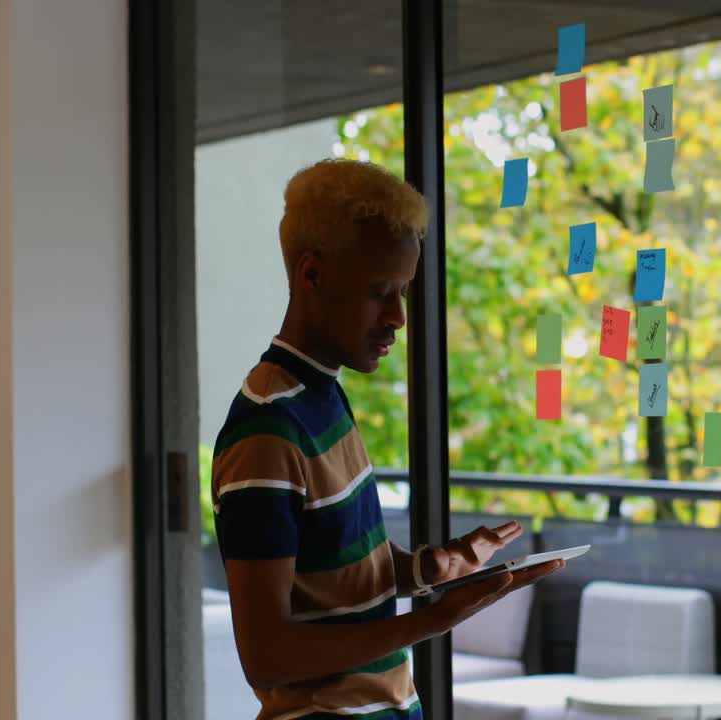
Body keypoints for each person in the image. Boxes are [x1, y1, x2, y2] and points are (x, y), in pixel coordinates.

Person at [211, 158, 563, 720]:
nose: (399, 317)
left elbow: (335, 578)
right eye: (380, 292)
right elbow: (267, 656)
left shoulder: (318, 395)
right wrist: (437, 618)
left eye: (403, 291)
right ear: (312, 276)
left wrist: (434, 569)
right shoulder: (267, 432)